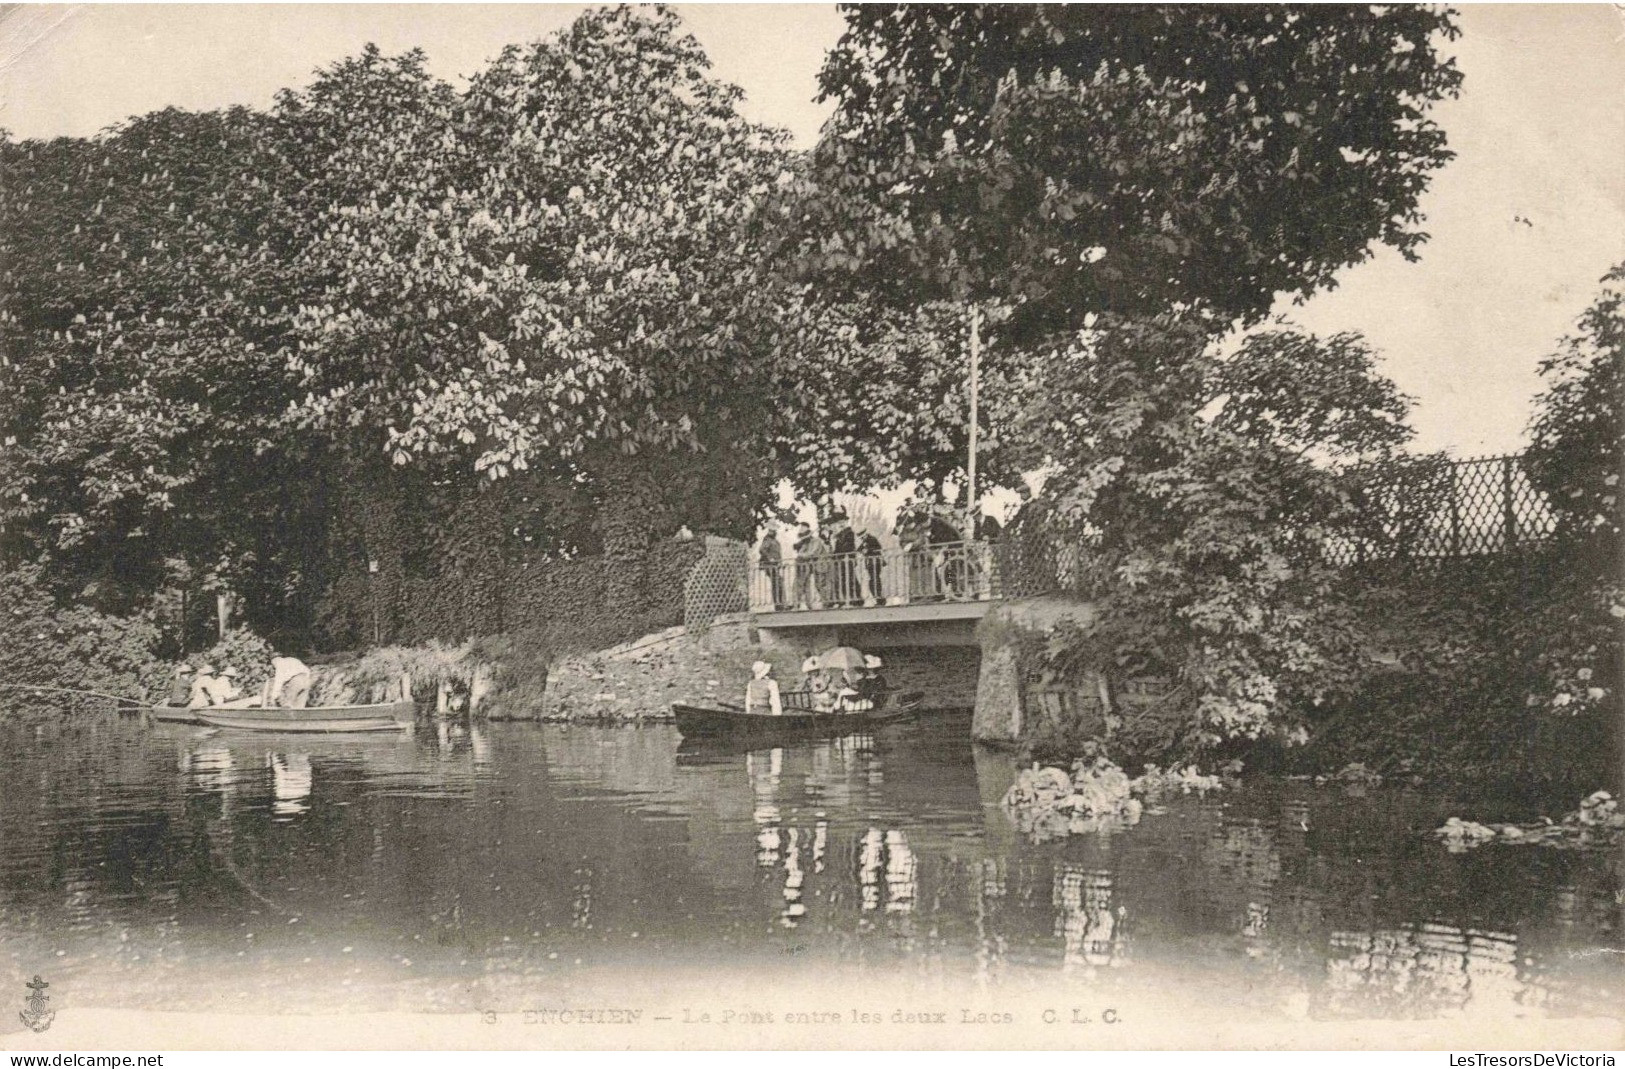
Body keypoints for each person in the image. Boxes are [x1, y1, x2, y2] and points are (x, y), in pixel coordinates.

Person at [829, 512, 857, 606]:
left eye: (843, 522)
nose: (841, 524)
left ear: (846, 522)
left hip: (848, 559)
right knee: (844, 580)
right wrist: (834, 556)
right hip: (841, 561)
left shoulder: (849, 532)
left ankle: (855, 599)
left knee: (851, 579)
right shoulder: (839, 534)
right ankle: (847, 599)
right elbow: (837, 549)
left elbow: (848, 546)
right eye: (840, 522)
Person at [758, 522, 786, 610]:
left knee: (778, 582)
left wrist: (780, 563)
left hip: (775, 565)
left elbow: (777, 553)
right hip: (770, 565)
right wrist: (770, 558)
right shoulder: (768, 539)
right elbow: (762, 550)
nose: (774, 532)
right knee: (777, 583)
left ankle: (780, 603)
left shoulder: (775, 541)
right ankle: (779, 605)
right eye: (773, 530)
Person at [858, 527, 885, 605]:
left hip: (875, 562)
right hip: (870, 563)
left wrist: (868, 550)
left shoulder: (872, 539)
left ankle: (879, 598)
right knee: (872, 580)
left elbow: (878, 548)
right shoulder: (864, 541)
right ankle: (877, 598)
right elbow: (859, 549)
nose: (862, 538)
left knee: (875, 580)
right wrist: (862, 550)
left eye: (862, 537)